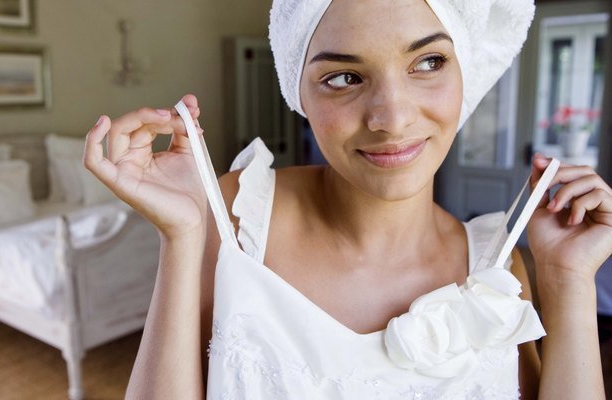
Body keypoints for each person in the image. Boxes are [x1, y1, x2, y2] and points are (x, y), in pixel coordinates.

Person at [84, 0, 612, 398]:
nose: (392, 117)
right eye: (343, 77)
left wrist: (569, 282)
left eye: (428, 63)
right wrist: (181, 236)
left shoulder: (498, 270)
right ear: (300, 93)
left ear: (464, 74)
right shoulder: (236, 220)